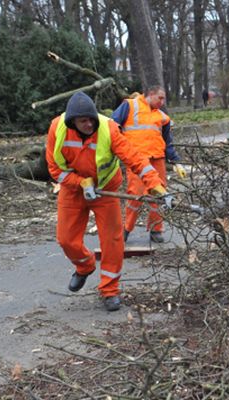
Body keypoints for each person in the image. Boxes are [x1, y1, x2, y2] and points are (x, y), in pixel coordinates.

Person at [46, 91, 172, 312]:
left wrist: (155, 184)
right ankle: (84, 266)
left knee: (113, 241)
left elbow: (134, 157)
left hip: (106, 189)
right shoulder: (57, 129)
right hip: (73, 190)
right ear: (72, 121)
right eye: (83, 121)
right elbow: (55, 169)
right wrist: (80, 182)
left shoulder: (109, 128)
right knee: (66, 239)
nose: (89, 124)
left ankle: (110, 290)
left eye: (91, 119)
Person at [111, 86, 186, 244]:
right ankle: (125, 229)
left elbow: (167, 142)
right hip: (137, 159)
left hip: (157, 158)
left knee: (159, 195)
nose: (162, 102)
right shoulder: (130, 106)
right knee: (135, 195)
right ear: (150, 95)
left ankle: (156, 229)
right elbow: (112, 127)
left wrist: (176, 162)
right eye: (160, 98)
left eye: (164, 98)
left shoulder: (162, 117)